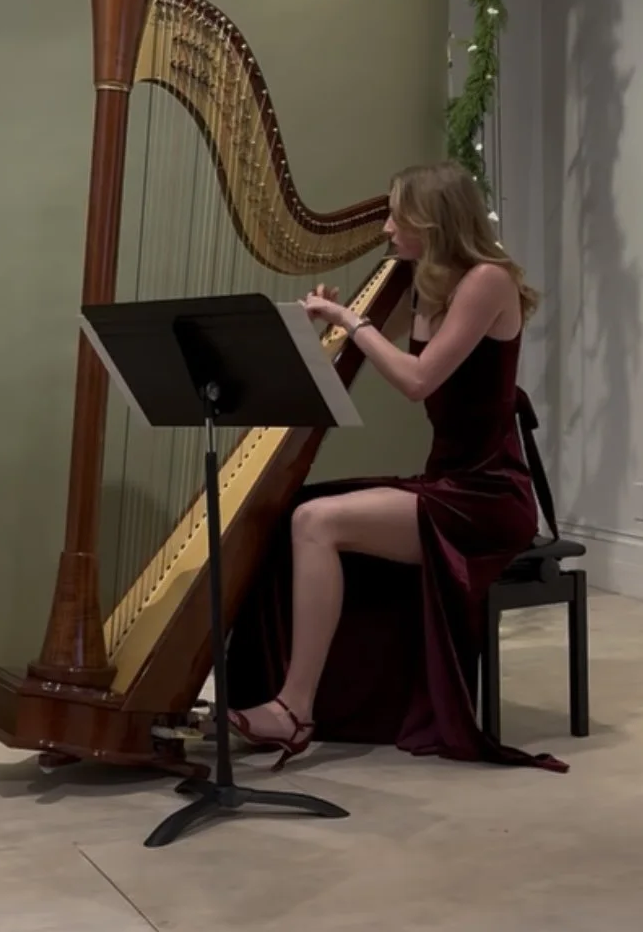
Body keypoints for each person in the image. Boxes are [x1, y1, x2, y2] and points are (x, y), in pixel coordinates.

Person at [225, 161, 568, 773]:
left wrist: (351, 323)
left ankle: (295, 709)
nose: (385, 229)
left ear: (431, 221)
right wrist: (328, 321)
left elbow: (416, 379)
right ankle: (335, 697)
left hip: (486, 497)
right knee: (289, 511)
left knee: (318, 523)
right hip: (445, 483)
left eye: (395, 215)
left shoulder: (487, 281)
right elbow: (360, 352)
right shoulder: (423, 283)